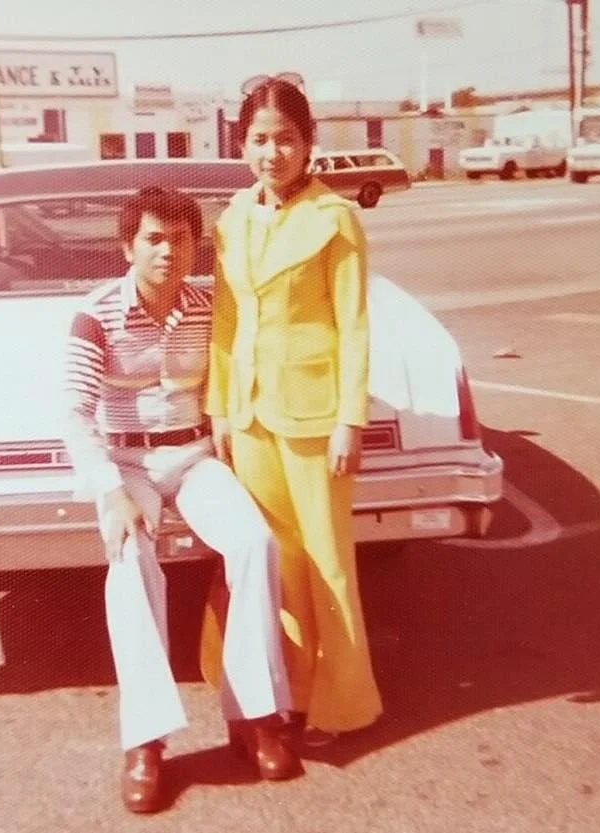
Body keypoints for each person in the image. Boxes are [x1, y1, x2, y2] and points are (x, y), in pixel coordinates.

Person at [63, 186, 301, 815]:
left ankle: (255, 717)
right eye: (154, 238)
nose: (169, 251)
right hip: (125, 461)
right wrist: (111, 493)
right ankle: (145, 742)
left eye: (181, 238)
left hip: (194, 458)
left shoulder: (208, 305)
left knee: (254, 544)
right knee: (130, 558)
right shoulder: (95, 314)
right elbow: (73, 413)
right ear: (128, 246)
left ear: (197, 245)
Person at [201, 75, 383, 750]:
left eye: (284, 139)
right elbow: (224, 322)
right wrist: (218, 409)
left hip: (315, 415)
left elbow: (355, 324)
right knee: (277, 562)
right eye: (258, 139)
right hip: (249, 417)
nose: (271, 152)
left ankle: (343, 704)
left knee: (329, 561)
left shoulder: (333, 218)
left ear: (307, 144)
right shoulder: (231, 218)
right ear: (240, 144)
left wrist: (350, 419)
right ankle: (289, 693)